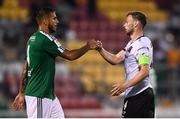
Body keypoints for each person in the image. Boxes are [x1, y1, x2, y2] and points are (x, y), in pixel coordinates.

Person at [12, 7, 98, 118]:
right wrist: (87, 46)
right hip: (39, 95)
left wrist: (21, 93)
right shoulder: (46, 39)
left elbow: (25, 69)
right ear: (45, 21)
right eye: (54, 18)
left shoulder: (32, 39)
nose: (57, 21)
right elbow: (70, 55)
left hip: (49, 96)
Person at [96, 11, 155, 118]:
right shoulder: (132, 44)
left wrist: (124, 86)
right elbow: (116, 59)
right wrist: (100, 49)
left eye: (127, 22)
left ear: (136, 24)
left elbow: (144, 71)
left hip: (140, 96)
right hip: (136, 96)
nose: (124, 25)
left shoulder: (142, 44)